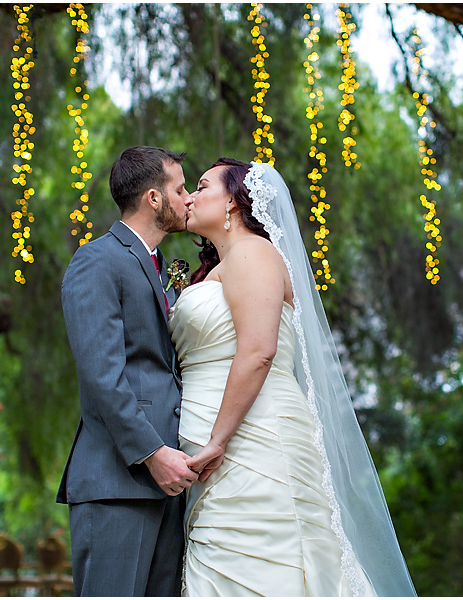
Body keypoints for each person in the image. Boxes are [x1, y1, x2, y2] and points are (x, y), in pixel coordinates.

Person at [170, 158, 416, 596]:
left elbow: (259, 351)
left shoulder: (253, 252)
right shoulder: (221, 266)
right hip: (220, 443)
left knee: (269, 562)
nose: (188, 196)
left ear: (232, 200)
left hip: (256, 437)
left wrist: (217, 439)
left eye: (202, 186)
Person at [57, 146, 197, 596]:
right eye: (180, 189)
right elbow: (103, 376)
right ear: (154, 198)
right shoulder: (96, 260)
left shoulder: (158, 267)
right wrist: (153, 453)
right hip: (118, 480)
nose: (188, 198)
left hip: (171, 483)